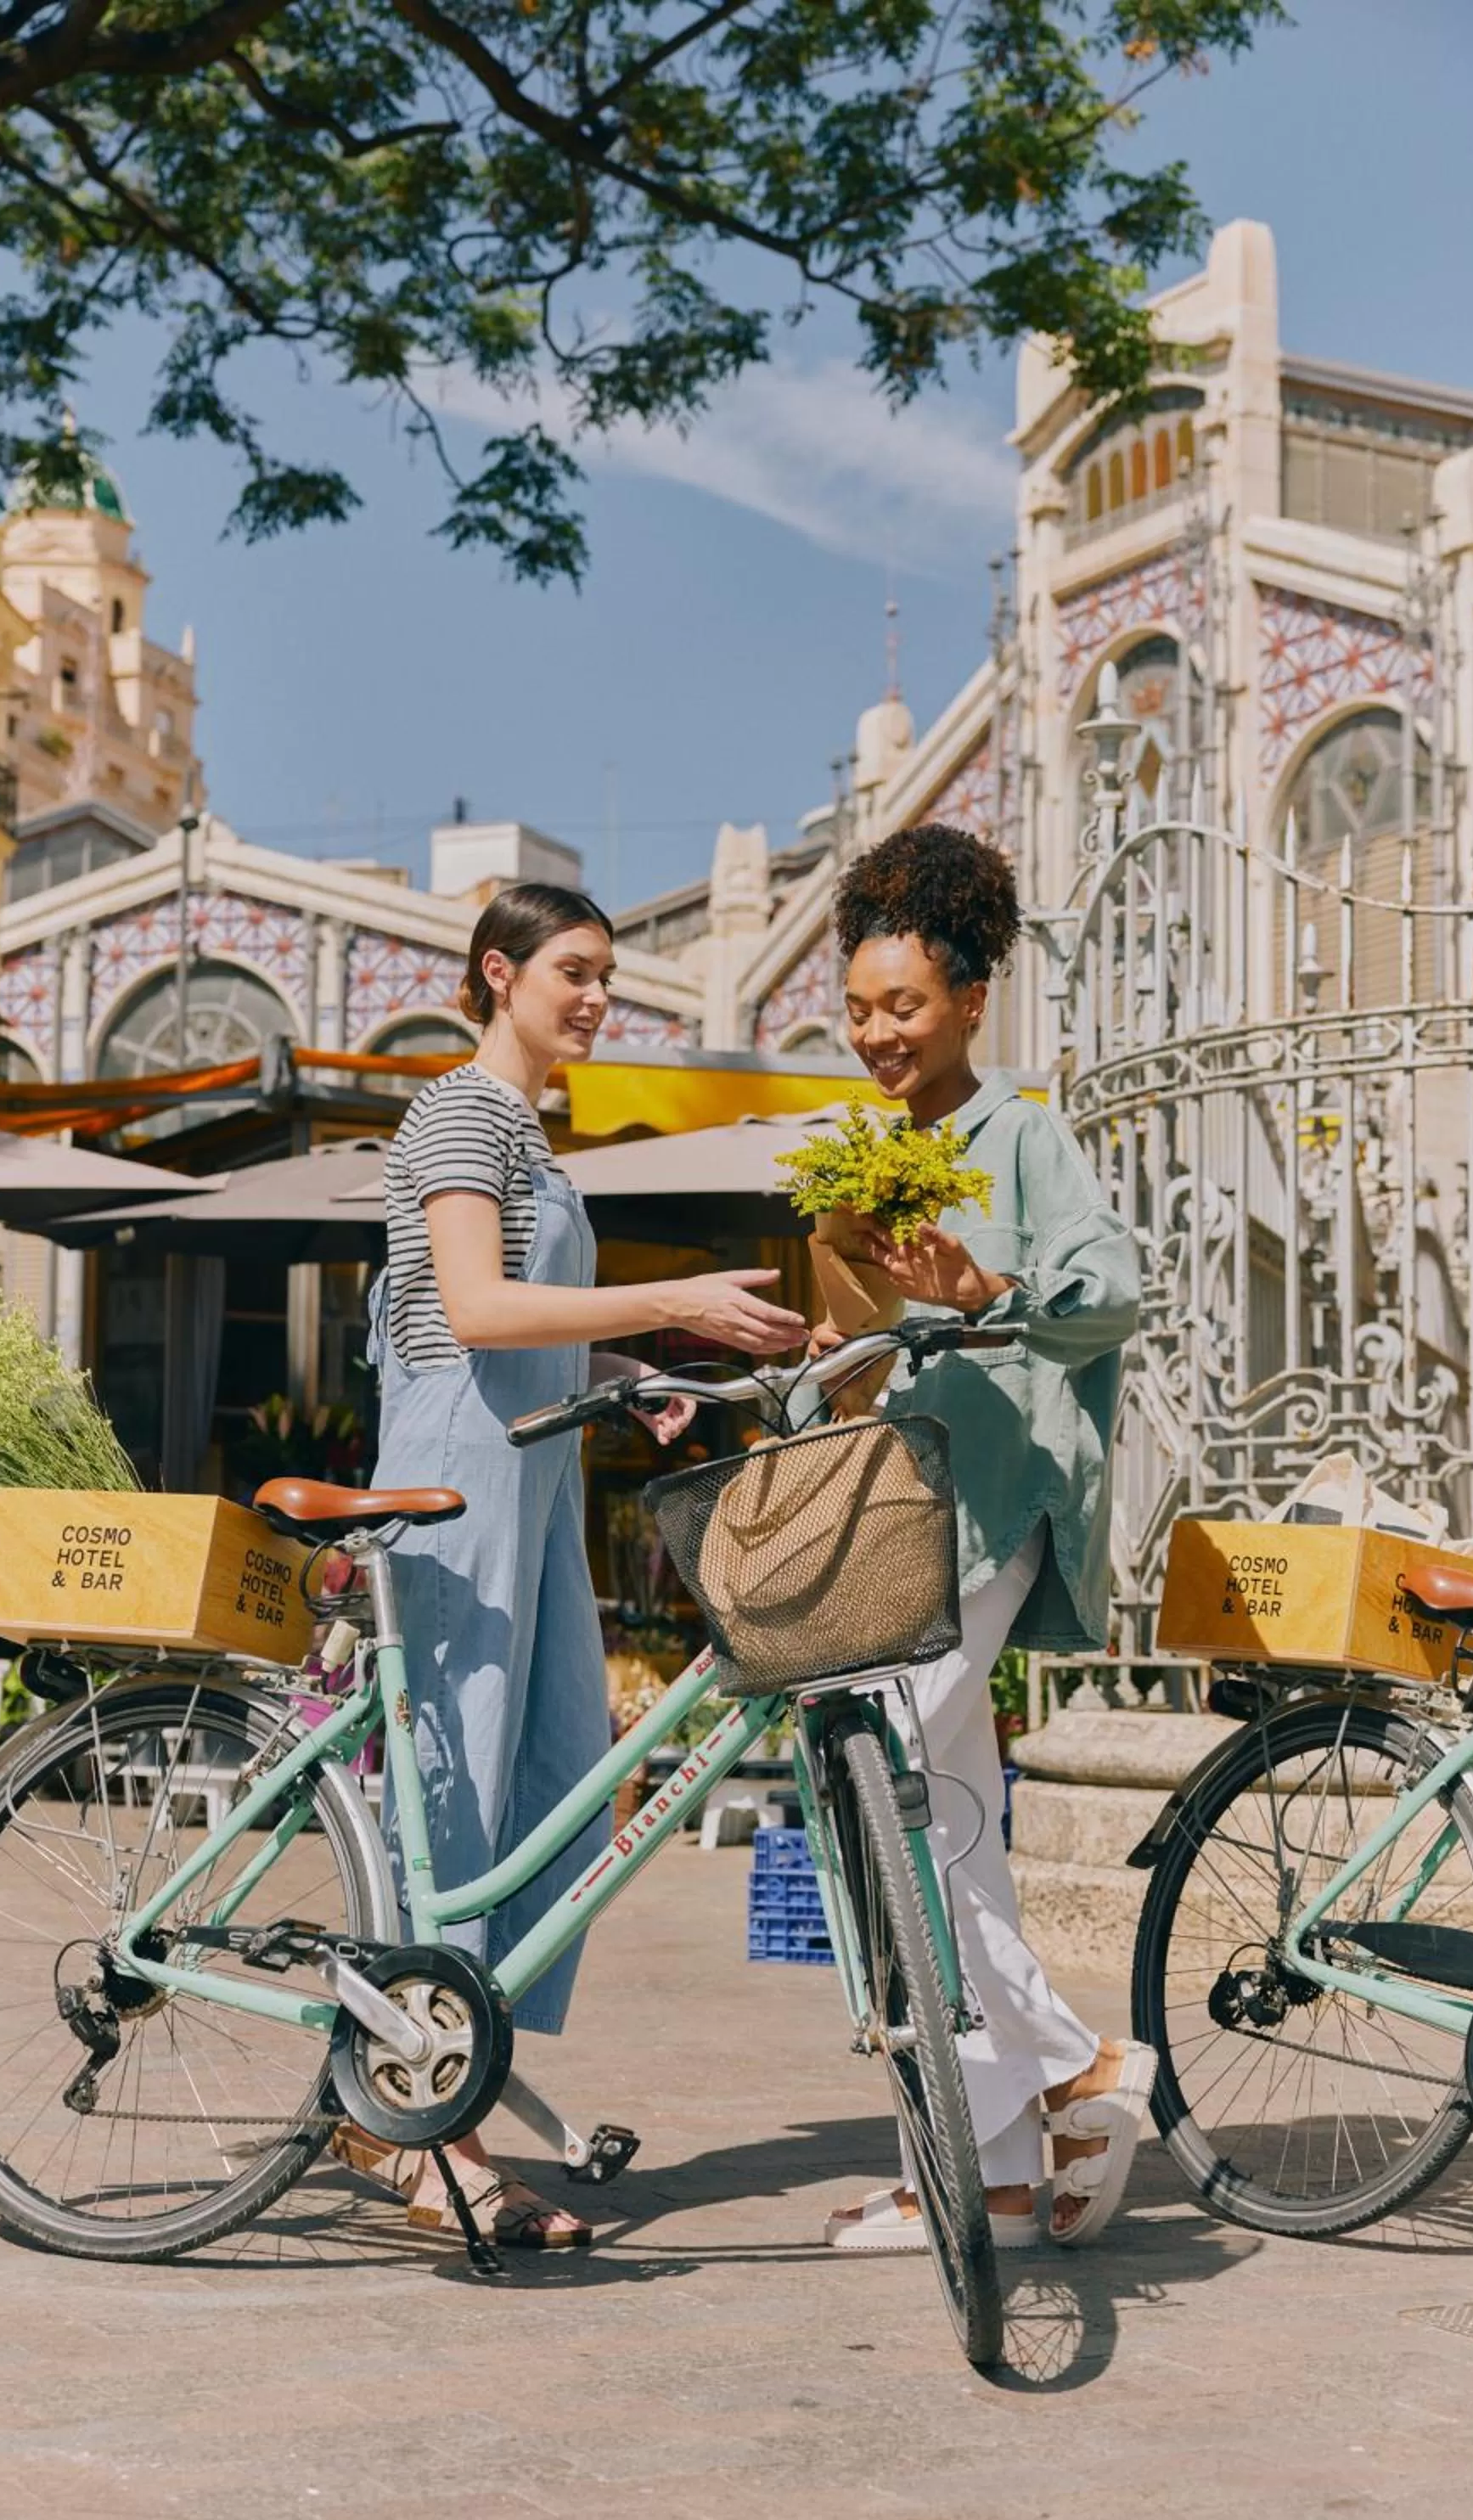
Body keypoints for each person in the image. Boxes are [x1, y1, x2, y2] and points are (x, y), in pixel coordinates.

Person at [333, 880, 807, 2247]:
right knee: (462, 1797)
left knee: (553, 1780)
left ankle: (426, 2091)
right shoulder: (463, 1111)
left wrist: (621, 1367)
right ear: (499, 974)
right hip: (456, 1481)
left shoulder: (536, 1143)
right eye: (575, 972)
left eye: (608, 975)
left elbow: (509, 1322)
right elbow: (471, 1310)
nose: (597, 996)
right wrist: (670, 1300)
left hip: (531, 1474)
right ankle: (428, 2133)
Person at [816, 824, 1155, 2252]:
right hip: (906, 1514)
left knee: (890, 1794)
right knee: (946, 1834)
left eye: (904, 1006)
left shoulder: (1018, 1131)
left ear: (969, 1001)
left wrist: (990, 1283)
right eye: (856, 1012)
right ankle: (992, 2181)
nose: (879, 1033)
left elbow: (1109, 1288)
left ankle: (1081, 2061)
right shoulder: (867, 1160)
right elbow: (859, 1351)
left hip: (996, 1503)